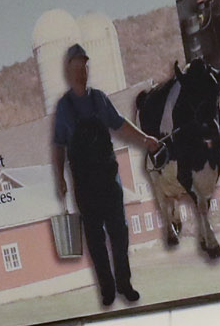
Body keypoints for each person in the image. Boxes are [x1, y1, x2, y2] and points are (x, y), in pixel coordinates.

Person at [50, 42, 157, 309]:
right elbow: (58, 145)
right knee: (96, 241)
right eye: (76, 67)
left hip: (110, 183)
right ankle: (107, 290)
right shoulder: (64, 107)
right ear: (68, 70)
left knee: (119, 235)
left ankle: (125, 285)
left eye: (85, 66)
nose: (81, 71)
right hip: (85, 188)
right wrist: (59, 179)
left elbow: (120, 124)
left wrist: (145, 139)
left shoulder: (99, 98)